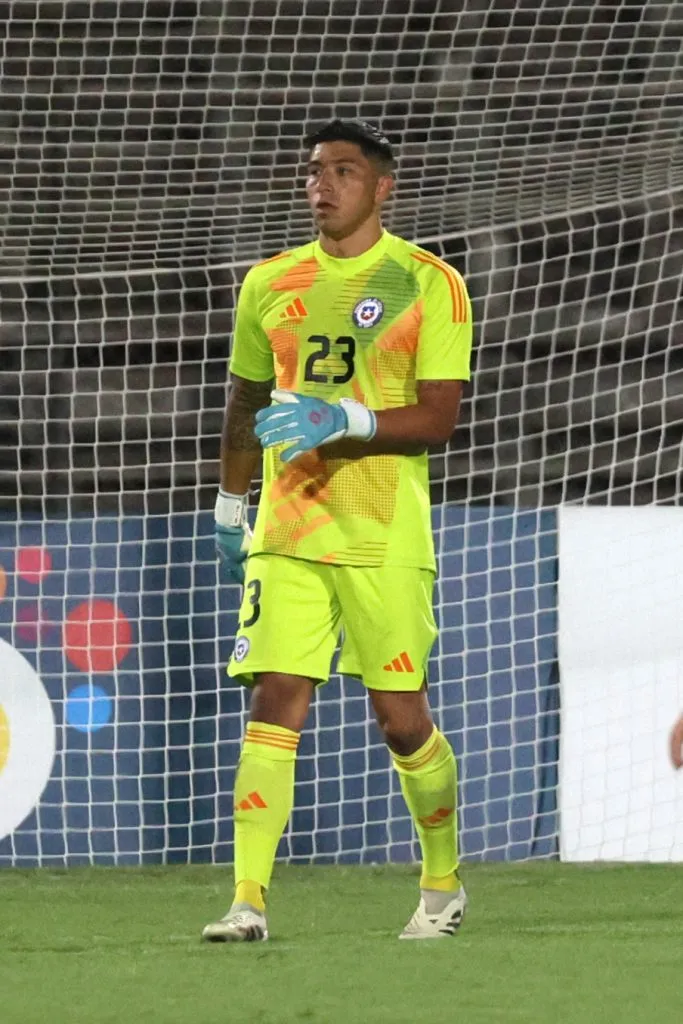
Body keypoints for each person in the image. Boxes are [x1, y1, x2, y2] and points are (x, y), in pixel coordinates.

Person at [202, 119, 473, 944]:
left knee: (399, 717)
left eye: (344, 171)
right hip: (289, 521)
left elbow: (437, 419)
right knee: (276, 697)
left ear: (381, 187)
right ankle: (247, 901)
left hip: (382, 530)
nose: (323, 184)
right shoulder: (269, 282)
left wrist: (344, 416)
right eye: (314, 171)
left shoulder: (428, 282)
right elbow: (248, 399)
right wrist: (228, 502)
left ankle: (441, 882)